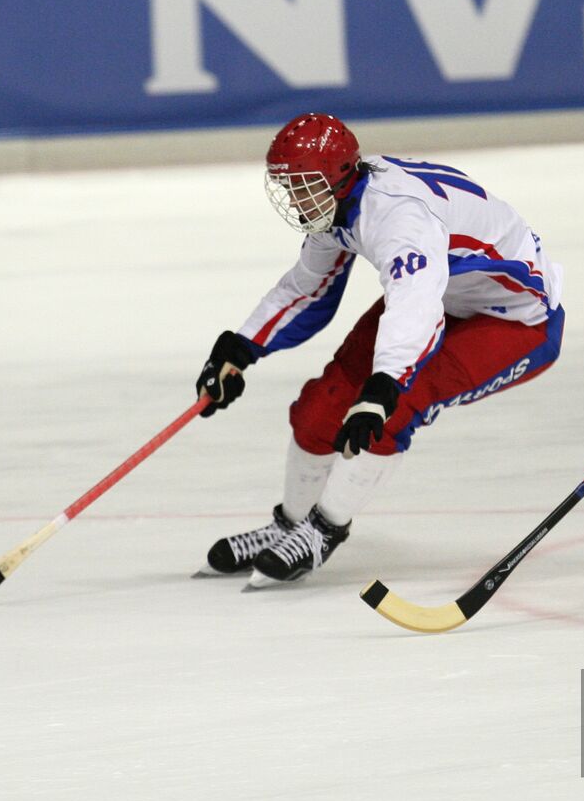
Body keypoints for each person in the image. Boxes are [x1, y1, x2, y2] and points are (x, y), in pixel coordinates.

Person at [196, 113, 565, 589]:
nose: (294, 199)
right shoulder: (338, 201)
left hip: (516, 319)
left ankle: (324, 530)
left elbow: (415, 303)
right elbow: (310, 288)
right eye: (289, 187)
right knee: (323, 405)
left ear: (337, 177)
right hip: (446, 295)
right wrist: (242, 346)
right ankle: (290, 524)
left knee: (393, 408)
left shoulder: (398, 219)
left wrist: (385, 383)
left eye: (303, 187)